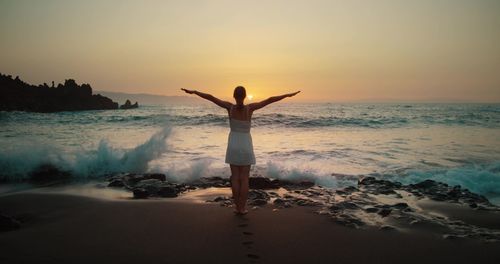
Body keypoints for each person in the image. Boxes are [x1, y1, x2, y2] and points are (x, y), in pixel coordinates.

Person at [181, 86, 300, 214]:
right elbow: (270, 99)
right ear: (244, 96)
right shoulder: (250, 108)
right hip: (246, 145)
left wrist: (195, 92)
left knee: (235, 177)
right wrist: (287, 95)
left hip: (233, 144)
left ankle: (237, 207)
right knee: (244, 178)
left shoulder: (229, 107)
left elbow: (211, 97)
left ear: (234, 96)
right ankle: (242, 208)